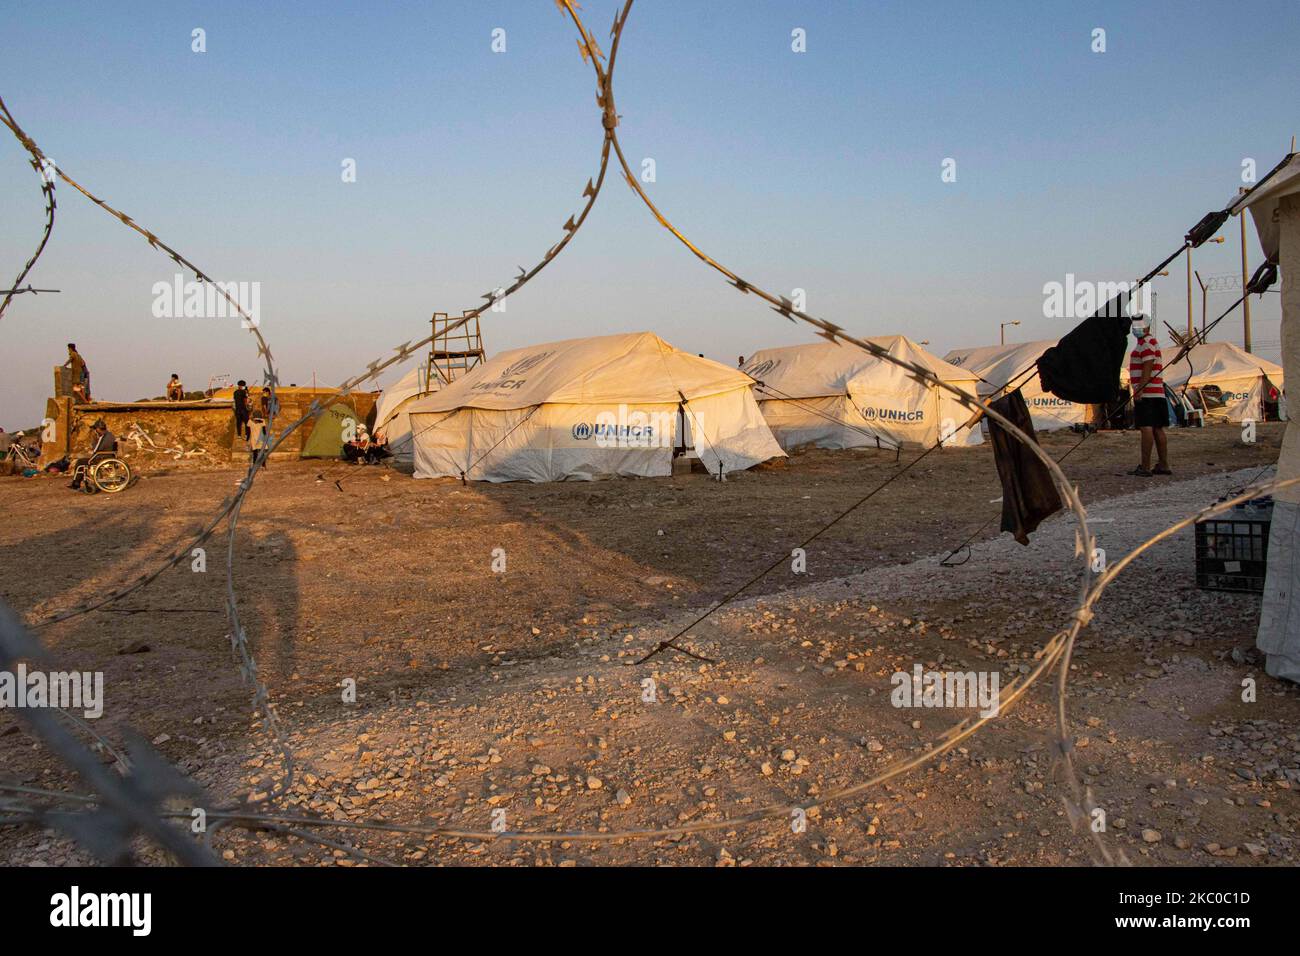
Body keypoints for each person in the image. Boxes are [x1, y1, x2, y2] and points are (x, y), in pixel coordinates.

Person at [1129, 315, 1171, 477]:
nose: (1135, 328)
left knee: (1146, 427)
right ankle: (1163, 464)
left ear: (1146, 327)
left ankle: (1145, 467)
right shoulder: (1151, 342)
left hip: (1148, 393)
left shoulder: (1146, 343)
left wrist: (1139, 389)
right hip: (1157, 393)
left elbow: (1148, 366)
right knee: (1157, 428)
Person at [69, 419, 116, 490]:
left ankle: (76, 482)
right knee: (83, 460)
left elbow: (95, 450)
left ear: (98, 429)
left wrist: (94, 441)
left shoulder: (103, 437)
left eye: (96, 429)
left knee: (80, 462)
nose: (95, 431)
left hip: (101, 458)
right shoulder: (110, 435)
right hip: (107, 456)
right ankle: (77, 482)